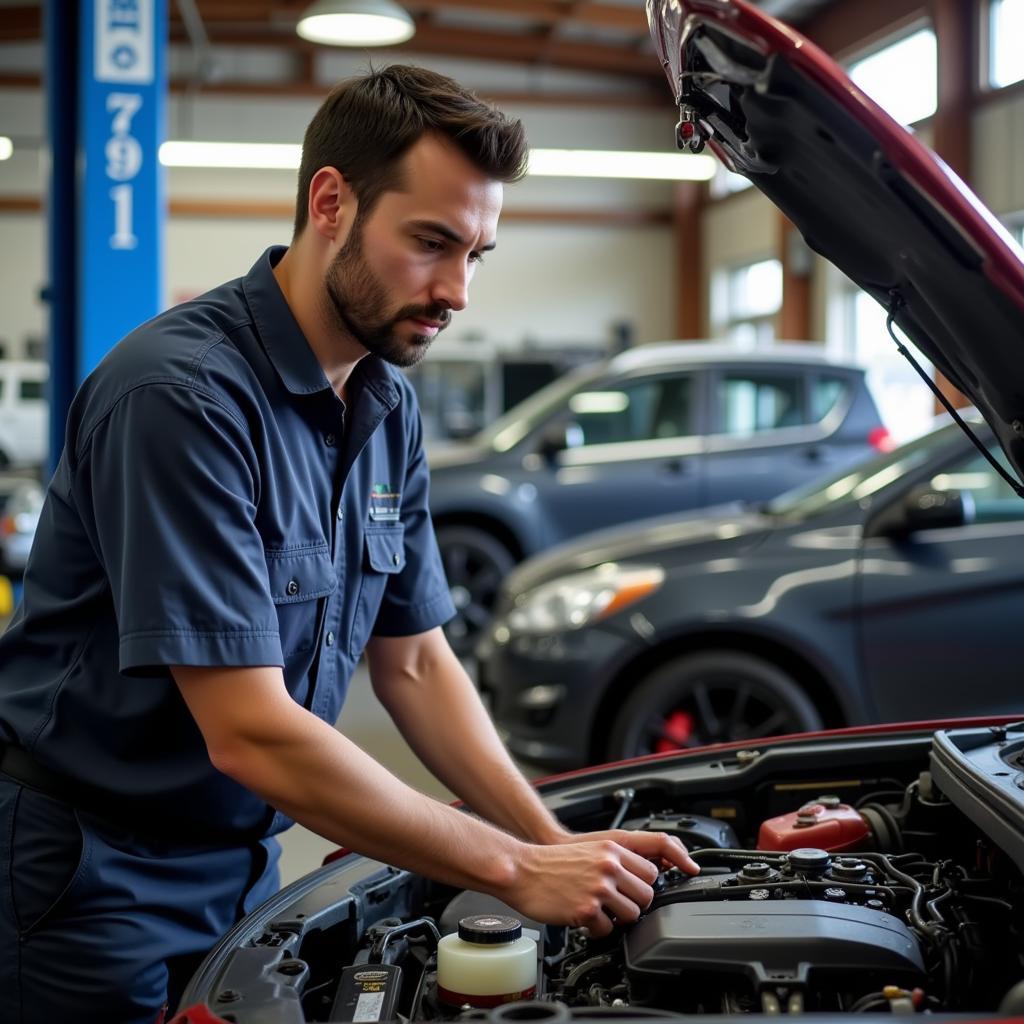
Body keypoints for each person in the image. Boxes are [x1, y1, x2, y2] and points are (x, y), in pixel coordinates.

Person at [0, 65, 698, 1023]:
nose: (456, 290)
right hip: (89, 877)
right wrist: (514, 869)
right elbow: (249, 729)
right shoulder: (181, 399)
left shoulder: (384, 404)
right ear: (330, 201)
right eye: (429, 243)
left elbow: (412, 663)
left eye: (477, 254)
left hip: (244, 862)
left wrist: (555, 843)